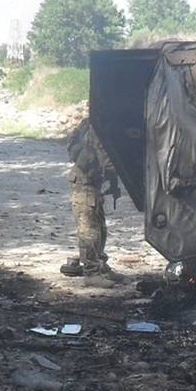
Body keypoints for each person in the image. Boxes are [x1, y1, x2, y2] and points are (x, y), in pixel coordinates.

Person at [61, 118, 121, 277]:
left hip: (93, 184)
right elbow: (107, 161)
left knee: (100, 228)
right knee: (89, 230)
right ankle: (91, 273)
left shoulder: (97, 124)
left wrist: (114, 184)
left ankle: (100, 265)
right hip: (84, 184)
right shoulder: (98, 128)